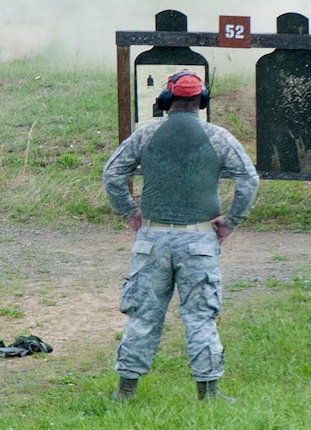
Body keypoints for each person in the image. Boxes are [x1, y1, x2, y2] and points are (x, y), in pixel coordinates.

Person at [102, 70, 259, 401]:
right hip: (200, 241)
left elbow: (113, 173)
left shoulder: (145, 135)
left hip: (152, 239)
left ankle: (125, 392)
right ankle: (209, 393)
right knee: (201, 317)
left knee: (142, 315)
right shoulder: (219, 138)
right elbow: (249, 181)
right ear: (201, 101)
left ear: (166, 100)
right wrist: (231, 221)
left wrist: (130, 213)